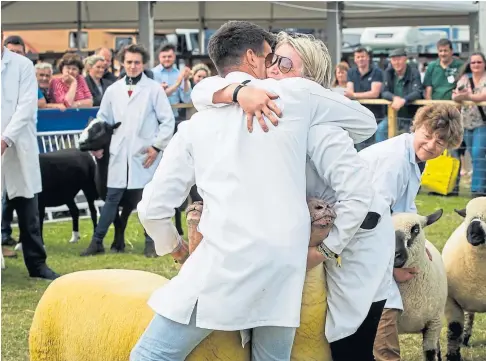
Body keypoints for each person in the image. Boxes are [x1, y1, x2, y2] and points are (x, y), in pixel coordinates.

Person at [131, 22, 392, 361]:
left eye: (281, 64)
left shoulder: (195, 126)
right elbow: (366, 123)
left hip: (226, 261)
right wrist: (274, 103)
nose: (271, 70)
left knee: (151, 354)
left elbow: (152, 207)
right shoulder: (295, 98)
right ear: (252, 57)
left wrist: (176, 248)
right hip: (285, 262)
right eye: (271, 59)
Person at [356, 103, 463, 361]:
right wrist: (390, 268)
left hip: (376, 237)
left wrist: (419, 245)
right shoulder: (393, 161)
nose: (430, 145)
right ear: (416, 126)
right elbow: (375, 217)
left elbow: (405, 210)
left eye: (440, 142)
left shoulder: (412, 160)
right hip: (359, 237)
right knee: (386, 304)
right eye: (427, 135)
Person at [80, 44, 175, 257]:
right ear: (122, 63)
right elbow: (103, 120)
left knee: (146, 199)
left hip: (144, 155)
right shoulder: (113, 90)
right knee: (111, 198)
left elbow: (167, 121)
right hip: (118, 153)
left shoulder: (153, 89)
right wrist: (96, 144)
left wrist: (156, 146)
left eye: (137, 62)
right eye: (129, 62)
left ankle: (151, 243)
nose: (133, 66)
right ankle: (97, 242)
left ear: (144, 64)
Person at [1, 33, 59, 280]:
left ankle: (37, 264)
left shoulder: (22, 66)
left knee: (28, 209)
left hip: (18, 145)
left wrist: (5, 139)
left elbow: (26, 106)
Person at [452, 52, 486, 198]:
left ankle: (477, 190)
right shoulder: (465, 78)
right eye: (473, 62)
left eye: (479, 62)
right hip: (465, 123)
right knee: (473, 155)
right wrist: (466, 96)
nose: (476, 65)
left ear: (484, 63)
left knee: (478, 154)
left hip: (482, 123)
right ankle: (480, 186)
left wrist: (467, 96)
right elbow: (454, 95)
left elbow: (483, 96)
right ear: (469, 65)